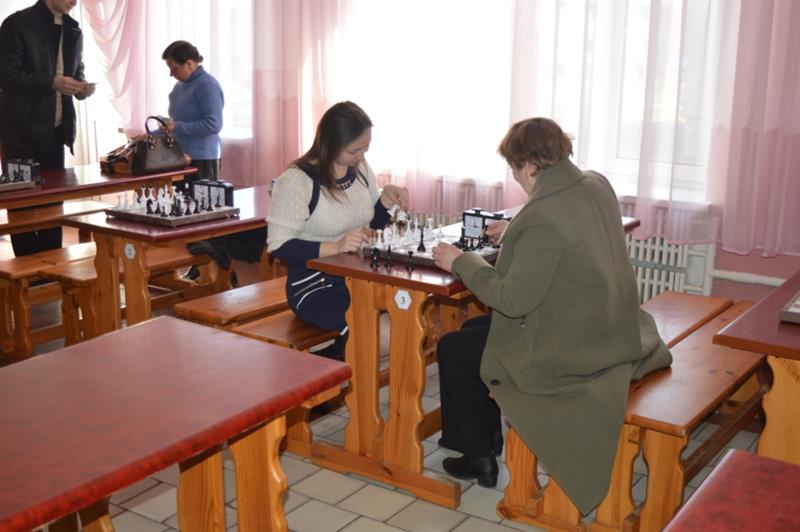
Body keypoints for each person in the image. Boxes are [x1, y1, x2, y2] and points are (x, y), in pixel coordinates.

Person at [431, 117, 672, 514]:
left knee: (454, 349)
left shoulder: (541, 215)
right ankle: (486, 444)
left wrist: (462, 262)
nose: (516, 178)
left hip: (568, 347)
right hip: (605, 322)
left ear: (528, 165)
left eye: (514, 170)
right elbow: (567, 232)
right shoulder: (594, 183)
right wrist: (515, 229)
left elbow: (511, 300)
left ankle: (478, 457)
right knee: (474, 330)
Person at [267, 101, 409, 360]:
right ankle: (336, 364)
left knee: (408, 318)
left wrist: (386, 202)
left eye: (366, 148)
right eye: (354, 150)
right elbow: (279, 246)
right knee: (387, 333)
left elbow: (370, 226)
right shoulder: (298, 180)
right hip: (315, 285)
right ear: (331, 144)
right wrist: (335, 246)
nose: (361, 156)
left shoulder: (360, 170)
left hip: (357, 276)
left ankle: (340, 358)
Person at [0, 0, 95, 256]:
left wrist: (81, 87)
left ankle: (54, 262)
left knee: (52, 202)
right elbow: (7, 76)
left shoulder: (73, 28)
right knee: (22, 203)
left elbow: (75, 71)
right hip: (20, 131)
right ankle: (28, 268)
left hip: (56, 129)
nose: (75, 2)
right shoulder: (17, 24)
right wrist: (53, 83)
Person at [161, 40, 224, 183]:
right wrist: (151, 134)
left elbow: (213, 124)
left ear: (189, 63)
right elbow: (175, 124)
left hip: (203, 159)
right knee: (178, 198)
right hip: (180, 157)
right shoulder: (178, 87)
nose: (171, 74)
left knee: (200, 198)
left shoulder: (207, 85)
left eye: (174, 68)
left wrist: (176, 126)